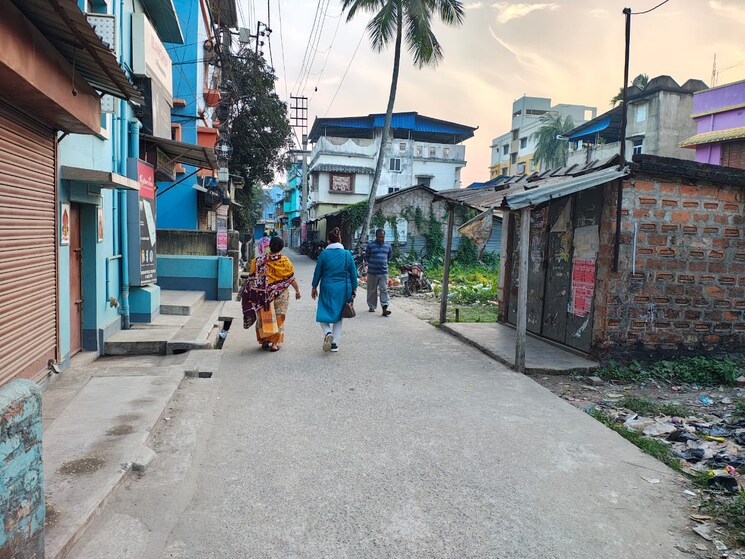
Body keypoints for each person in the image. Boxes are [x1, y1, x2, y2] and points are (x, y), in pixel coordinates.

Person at [241, 236, 301, 352]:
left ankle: (264, 340)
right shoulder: (285, 261)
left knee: (264, 318)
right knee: (278, 318)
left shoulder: (259, 261)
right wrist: (297, 291)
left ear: (270, 246)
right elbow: (291, 279)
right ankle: (274, 344)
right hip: (281, 295)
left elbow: (252, 278)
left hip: (263, 296)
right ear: (282, 247)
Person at [311, 227, 358, 353]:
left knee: (323, 312)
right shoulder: (347, 254)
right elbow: (353, 273)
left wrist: (314, 287)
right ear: (340, 240)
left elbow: (317, 272)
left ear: (329, 241)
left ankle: (327, 333)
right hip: (344, 289)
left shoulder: (324, 254)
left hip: (327, 287)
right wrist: (354, 288)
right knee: (339, 315)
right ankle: (334, 344)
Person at [364, 228, 393, 316]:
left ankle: (384, 307)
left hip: (383, 272)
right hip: (372, 272)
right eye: (379, 237)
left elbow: (389, 256)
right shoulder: (370, 245)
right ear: (376, 236)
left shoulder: (388, 246)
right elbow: (367, 256)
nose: (381, 238)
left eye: (382, 237)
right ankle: (372, 306)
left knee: (384, 289)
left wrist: (383, 263)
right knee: (372, 290)